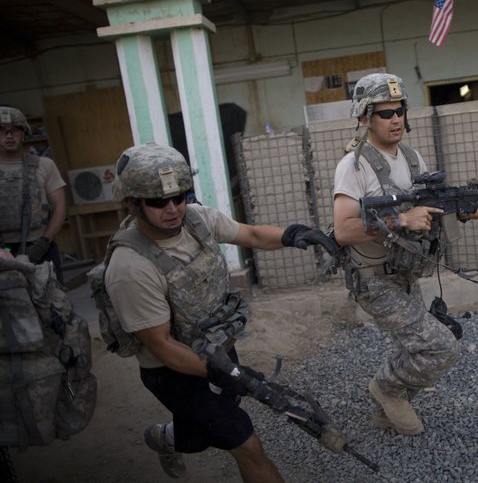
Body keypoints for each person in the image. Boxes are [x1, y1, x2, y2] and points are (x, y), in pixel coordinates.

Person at [104, 142, 337, 482]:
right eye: (157, 201)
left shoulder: (197, 220)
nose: (172, 209)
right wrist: (230, 374)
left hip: (218, 348)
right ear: (132, 202)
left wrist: (294, 234)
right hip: (173, 372)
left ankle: (163, 438)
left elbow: (251, 233)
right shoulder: (130, 267)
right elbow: (162, 346)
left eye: (179, 196)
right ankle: (181, 432)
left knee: (202, 434)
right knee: (246, 443)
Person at [332, 73, 478, 436]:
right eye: (386, 113)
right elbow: (342, 230)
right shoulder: (354, 166)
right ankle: (386, 390)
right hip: (374, 279)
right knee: (440, 346)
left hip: (406, 272)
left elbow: (429, 210)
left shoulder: (411, 157)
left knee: (413, 344)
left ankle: (381, 412)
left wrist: (466, 211)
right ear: (365, 117)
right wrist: (402, 217)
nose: (396, 119)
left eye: (400, 110)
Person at [0, 106, 67, 282]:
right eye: (2, 130)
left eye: (14, 130)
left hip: (40, 246)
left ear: (24, 133)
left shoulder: (44, 165)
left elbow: (60, 207)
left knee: (54, 305)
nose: (9, 135)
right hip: (2, 250)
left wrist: (44, 242)